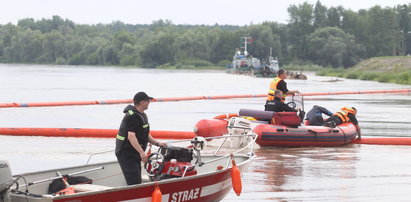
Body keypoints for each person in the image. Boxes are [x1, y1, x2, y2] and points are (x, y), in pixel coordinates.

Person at [115, 92, 167, 185]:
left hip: (135, 152)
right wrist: (142, 153)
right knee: (134, 181)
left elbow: (145, 133)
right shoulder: (132, 116)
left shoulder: (142, 115)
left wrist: (157, 143)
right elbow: (131, 136)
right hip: (126, 153)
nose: (149, 103)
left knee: (137, 178)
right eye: (148, 101)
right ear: (142, 102)